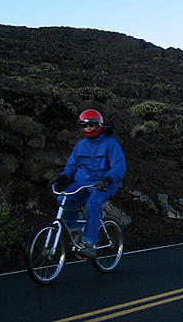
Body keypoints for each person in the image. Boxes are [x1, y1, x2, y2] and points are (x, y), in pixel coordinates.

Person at [48, 109, 126, 258]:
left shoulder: (110, 144)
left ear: (99, 125)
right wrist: (62, 177)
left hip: (103, 184)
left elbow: (119, 166)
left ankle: (89, 244)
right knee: (63, 199)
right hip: (83, 183)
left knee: (92, 204)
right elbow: (71, 166)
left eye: (92, 125)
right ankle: (76, 231)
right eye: (84, 125)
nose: (88, 128)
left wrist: (107, 179)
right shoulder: (80, 145)